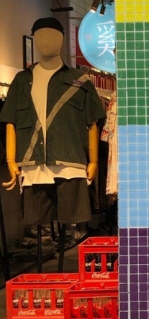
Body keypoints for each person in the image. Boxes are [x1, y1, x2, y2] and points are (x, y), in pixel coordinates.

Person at [0, 17, 105, 226]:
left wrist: (93, 162)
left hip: (71, 164)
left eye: (52, 35)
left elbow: (93, 122)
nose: (45, 41)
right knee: (37, 225)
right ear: (34, 39)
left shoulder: (81, 81)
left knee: (73, 224)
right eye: (40, 36)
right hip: (33, 167)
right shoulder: (22, 80)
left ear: (62, 39)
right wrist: (11, 161)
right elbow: (10, 121)